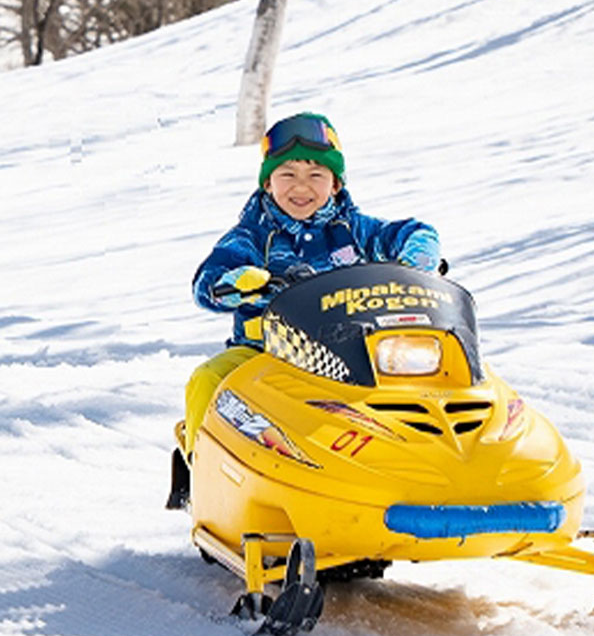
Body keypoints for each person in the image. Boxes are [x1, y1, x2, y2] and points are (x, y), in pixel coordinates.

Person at [178, 113, 441, 460]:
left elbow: (412, 232)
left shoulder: (355, 230)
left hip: (354, 356)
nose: (301, 187)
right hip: (265, 355)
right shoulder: (253, 236)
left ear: (335, 184)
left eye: (316, 175)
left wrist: (417, 256)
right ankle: (203, 470)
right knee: (209, 378)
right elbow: (206, 283)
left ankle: (426, 464)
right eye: (287, 174)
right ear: (268, 183)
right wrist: (235, 282)